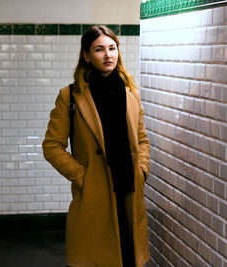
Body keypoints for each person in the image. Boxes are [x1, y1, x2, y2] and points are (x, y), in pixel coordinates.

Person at [42, 25, 151, 267]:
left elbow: (142, 140)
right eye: (99, 49)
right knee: (96, 259)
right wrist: (82, 175)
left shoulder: (131, 93)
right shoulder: (70, 95)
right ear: (87, 55)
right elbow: (52, 146)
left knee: (128, 258)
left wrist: (142, 169)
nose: (107, 55)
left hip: (130, 190)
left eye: (112, 48)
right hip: (95, 195)